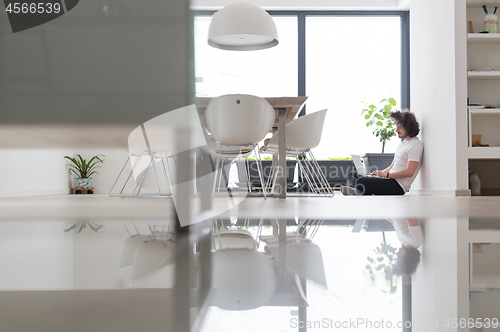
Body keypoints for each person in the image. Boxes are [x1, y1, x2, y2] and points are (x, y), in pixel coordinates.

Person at [341, 109, 423, 195]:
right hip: (389, 179)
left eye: (399, 128)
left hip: (398, 186)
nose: (396, 130)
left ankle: (357, 189)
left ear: (408, 128)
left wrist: (386, 176)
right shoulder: (402, 144)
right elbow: (392, 166)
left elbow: (409, 172)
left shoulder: (415, 145)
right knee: (352, 175)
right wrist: (379, 173)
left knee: (361, 181)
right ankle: (358, 190)